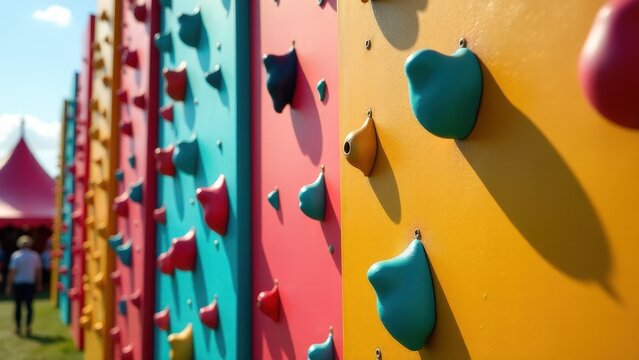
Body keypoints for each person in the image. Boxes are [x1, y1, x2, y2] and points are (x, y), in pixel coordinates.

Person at [5, 235, 42, 336]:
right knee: (29, 307)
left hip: (19, 284)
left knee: (18, 307)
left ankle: (18, 327)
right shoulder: (34, 255)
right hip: (29, 284)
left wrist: (8, 286)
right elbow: (38, 272)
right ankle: (27, 326)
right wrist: (39, 283)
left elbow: (12, 272)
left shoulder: (16, 255)